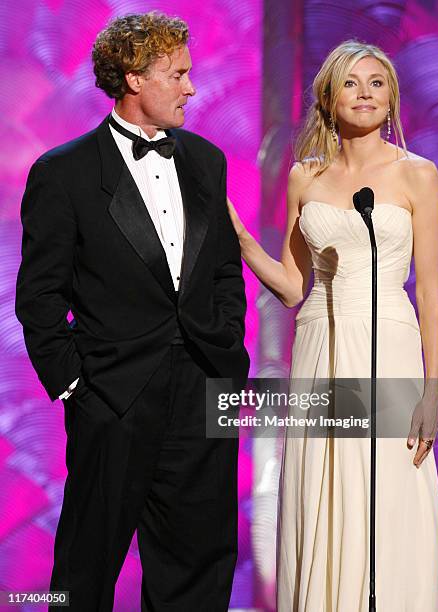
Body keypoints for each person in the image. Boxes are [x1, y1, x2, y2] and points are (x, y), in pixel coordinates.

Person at [15, 11, 249, 612]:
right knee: (85, 568)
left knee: (199, 560)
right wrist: (75, 386)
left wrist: (227, 352)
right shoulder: (63, 173)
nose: (192, 88)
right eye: (178, 74)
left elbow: (224, 270)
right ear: (134, 78)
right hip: (112, 393)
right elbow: (39, 297)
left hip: (203, 386)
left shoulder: (206, 160)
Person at [228, 40, 438, 610]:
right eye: (352, 82)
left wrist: (432, 389)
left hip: (389, 345)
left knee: (385, 489)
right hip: (319, 344)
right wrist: (245, 241)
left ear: (392, 97)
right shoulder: (306, 177)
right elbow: (295, 287)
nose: (366, 93)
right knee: (322, 488)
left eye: (377, 83)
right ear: (329, 96)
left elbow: (428, 291)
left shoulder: (417, 175)